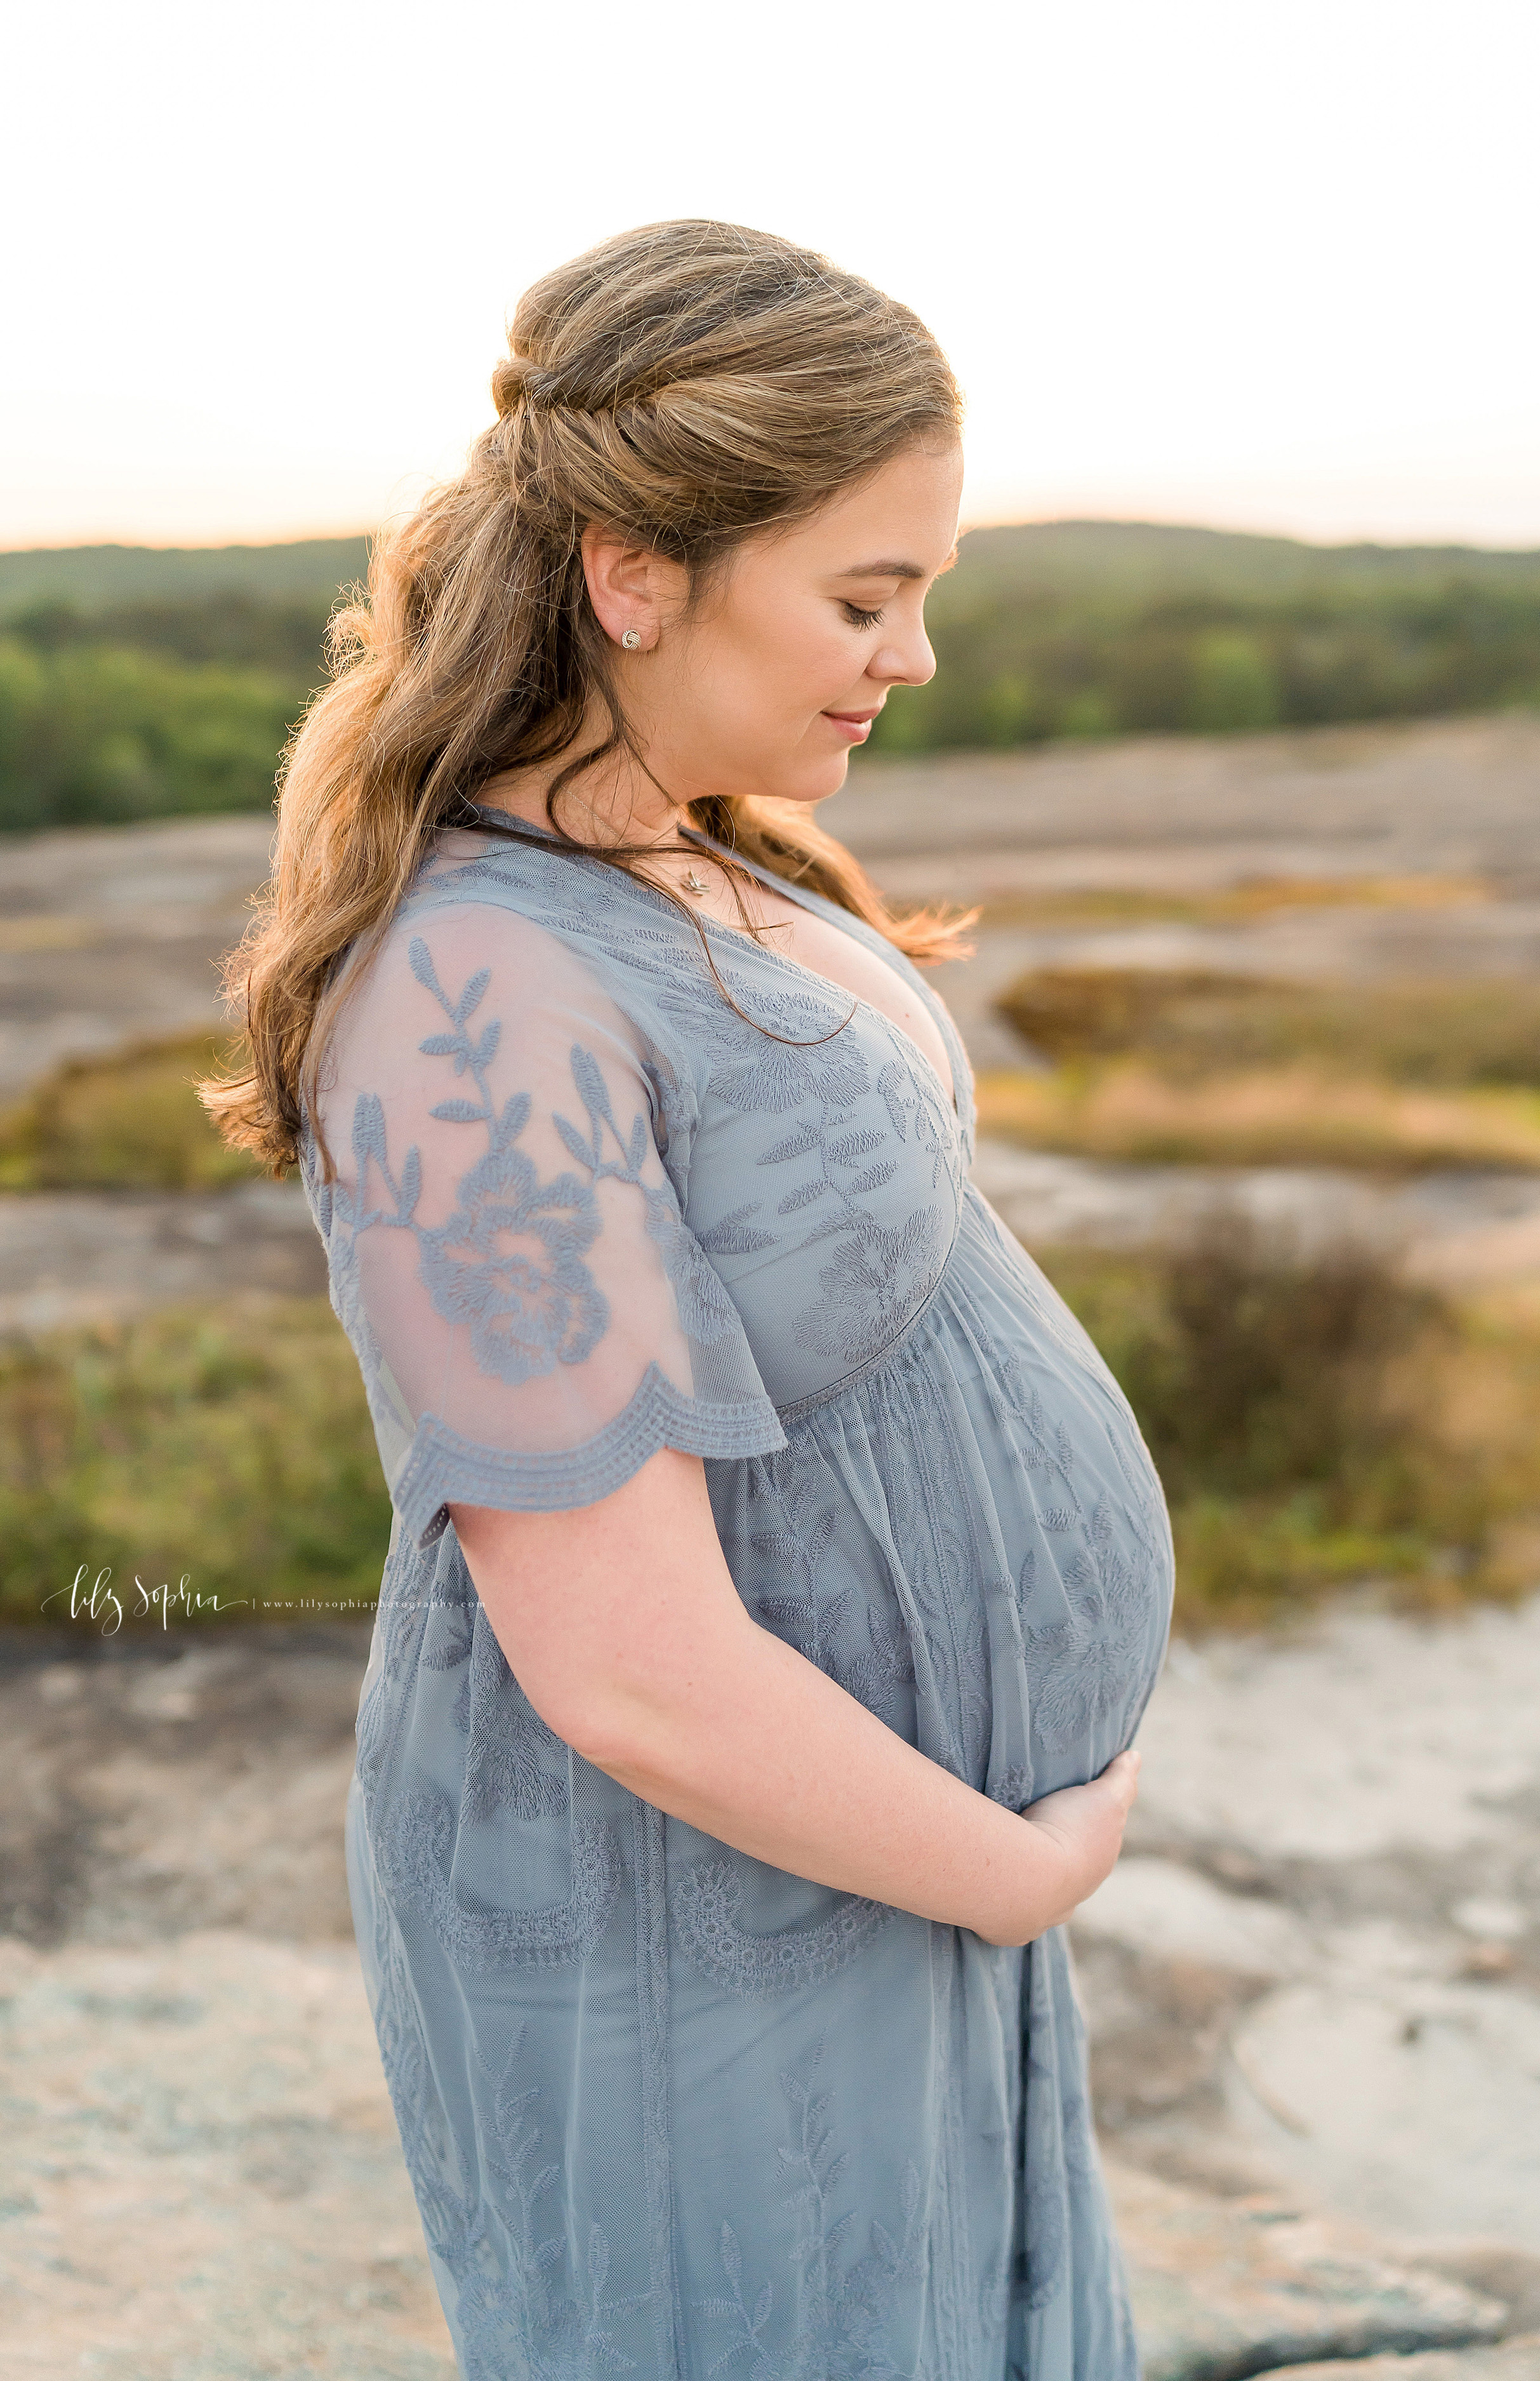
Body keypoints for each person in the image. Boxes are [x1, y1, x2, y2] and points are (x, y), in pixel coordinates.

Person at [205, 219, 1174, 2381]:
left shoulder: (697, 842)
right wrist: (1006, 1874)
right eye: (863, 595)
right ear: (636, 572)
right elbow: (629, 1668)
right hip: (690, 1927)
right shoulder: (476, 988)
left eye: (922, 593)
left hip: (863, 1869)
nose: (910, 658)